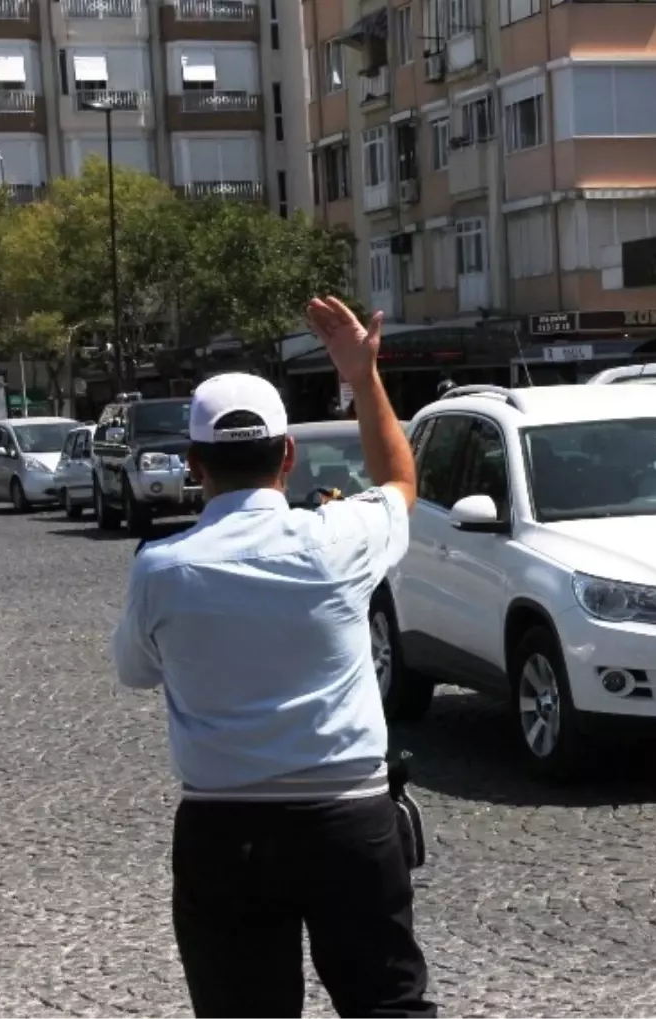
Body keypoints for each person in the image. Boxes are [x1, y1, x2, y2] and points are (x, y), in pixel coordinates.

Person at [112, 296, 434, 1019]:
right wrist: (362, 373)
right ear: (288, 455)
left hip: (225, 832)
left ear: (194, 465)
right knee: (390, 1008)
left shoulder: (162, 569)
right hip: (349, 821)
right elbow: (401, 483)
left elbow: (135, 670)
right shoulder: (338, 539)